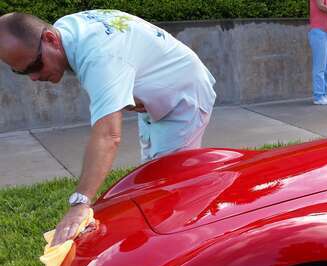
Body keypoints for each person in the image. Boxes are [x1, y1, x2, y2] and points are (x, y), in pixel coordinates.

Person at [0, 10, 216, 246]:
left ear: (50, 39)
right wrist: (140, 89)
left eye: (35, 65)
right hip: (158, 98)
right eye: (20, 72)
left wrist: (80, 204)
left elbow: (108, 136)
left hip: (184, 95)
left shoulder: (99, 56)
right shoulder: (67, 29)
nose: (33, 77)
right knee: (153, 179)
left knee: (168, 186)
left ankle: (192, 243)